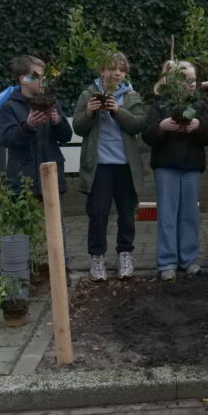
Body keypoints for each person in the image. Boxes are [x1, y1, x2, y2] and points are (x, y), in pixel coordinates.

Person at [71, 53, 145, 281]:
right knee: (98, 213)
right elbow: (78, 127)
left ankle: (124, 254)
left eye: (121, 70)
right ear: (101, 71)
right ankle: (97, 257)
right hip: (99, 167)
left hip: (125, 167)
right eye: (111, 68)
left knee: (126, 213)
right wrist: (90, 112)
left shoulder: (131, 96)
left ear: (125, 74)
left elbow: (138, 125)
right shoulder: (87, 94)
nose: (116, 73)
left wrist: (117, 110)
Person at [143, 61, 208, 281]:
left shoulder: (200, 106)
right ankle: (167, 262)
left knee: (190, 215)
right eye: (185, 80)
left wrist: (199, 127)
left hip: (192, 167)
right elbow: (147, 135)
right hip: (166, 167)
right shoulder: (160, 105)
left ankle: (189, 259)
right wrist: (162, 127)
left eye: (193, 79)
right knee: (167, 216)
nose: (191, 84)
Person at [0, 55, 74, 197]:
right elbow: (8, 140)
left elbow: (66, 136)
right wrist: (28, 126)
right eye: (37, 76)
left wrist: (58, 122)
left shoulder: (52, 104)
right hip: (24, 182)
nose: (42, 80)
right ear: (23, 80)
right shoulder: (9, 107)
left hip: (52, 177)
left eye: (43, 76)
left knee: (55, 220)